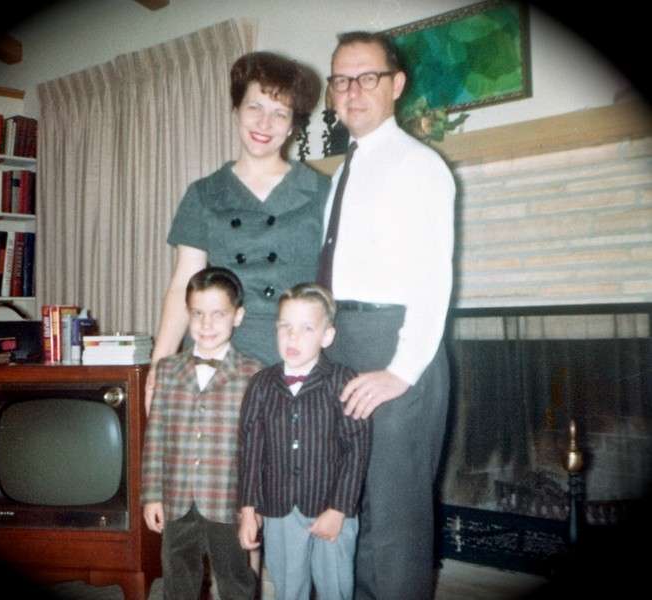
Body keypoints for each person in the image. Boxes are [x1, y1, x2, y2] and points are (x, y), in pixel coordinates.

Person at [320, 31, 456, 600]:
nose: (352, 91)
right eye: (341, 80)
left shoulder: (420, 166)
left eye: (367, 77)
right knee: (352, 508)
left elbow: (433, 278)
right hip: (342, 344)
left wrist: (401, 371)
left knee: (396, 522)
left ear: (396, 85)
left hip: (394, 346)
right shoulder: (341, 173)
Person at [146, 50, 329, 414]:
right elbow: (184, 284)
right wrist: (159, 366)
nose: (264, 123)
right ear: (236, 110)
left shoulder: (321, 192)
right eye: (254, 107)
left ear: (292, 124)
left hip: (293, 352)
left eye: (280, 113)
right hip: (217, 351)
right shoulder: (204, 193)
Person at [237, 282, 371, 600]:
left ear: (327, 336)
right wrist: (248, 510)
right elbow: (249, 451)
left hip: (332, 506)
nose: (292, 337)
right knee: (288, 587)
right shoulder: (260, 384)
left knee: (335, 586)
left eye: (306, 328)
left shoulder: (343, 380)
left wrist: (339, 509)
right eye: (285, 326)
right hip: (279, 509)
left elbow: (357, 450)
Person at [141, 266, 264, 600]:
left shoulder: (254, 373)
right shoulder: (167, 370)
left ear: (238, 316)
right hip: (177, 499)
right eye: (197, 314)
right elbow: (155, 438)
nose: (206, 324)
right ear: (188, 314)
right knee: (177, 578)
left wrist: (252, 506)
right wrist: (152, 495)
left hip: (228, 500)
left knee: (235, 578)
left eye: (218, 314)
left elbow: (258, 449)